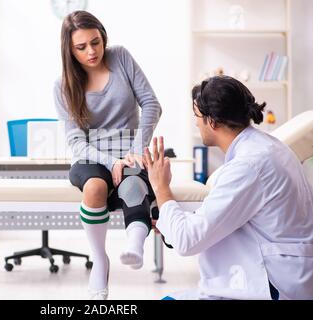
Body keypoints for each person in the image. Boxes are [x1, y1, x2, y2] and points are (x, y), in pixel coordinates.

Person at [143, 76, 313, 300]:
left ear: (212, 121)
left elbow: (187, 241)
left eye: (197, 116)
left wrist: (161, 187)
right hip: (284, 273)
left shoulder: (248, 166)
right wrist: (173, 222)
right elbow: (227, 216)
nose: (195, 123)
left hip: (272, 284)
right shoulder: (267, 147)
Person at [53, 11, 162, 300]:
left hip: (131, 149)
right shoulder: (63, 86)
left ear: (103, 37)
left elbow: (152, 105)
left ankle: (135, 246)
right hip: (91, 157)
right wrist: (111, 162)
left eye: (96, 42)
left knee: (133, 184)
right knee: (95, 187)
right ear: (69, 50)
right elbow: (76, 141)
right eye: (81, 47)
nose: (92, 51)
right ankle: (100, 260)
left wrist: (135, 152)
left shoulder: (121, 58)